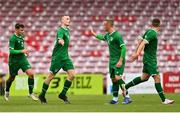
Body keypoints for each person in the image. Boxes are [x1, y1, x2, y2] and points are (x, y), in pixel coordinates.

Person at [125, 18, 174, 104]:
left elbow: (140, 41)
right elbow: (143, 43)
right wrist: (137, 54)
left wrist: (136, 52)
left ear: (152, 24)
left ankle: (126, 87)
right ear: (159, 26)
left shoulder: (148, 31)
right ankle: (164, 100)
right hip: (150, 60)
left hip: (148, 59)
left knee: (144, 77)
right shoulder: (152, 33)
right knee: (157, 77)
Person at [90, 19, 132, 104]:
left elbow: (124, 48)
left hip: (118, 60)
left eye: (105, 25)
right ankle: (115, 99)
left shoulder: (117, 35)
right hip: (111, 61)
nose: (104, 26)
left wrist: (121, 60)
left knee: (117, 77)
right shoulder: (108, 35)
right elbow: (102, 37)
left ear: (109, 25)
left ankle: (127, 97)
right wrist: (94, 34)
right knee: (113, 79)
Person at [38, 16, 75, 104]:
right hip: (57, 58)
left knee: (72, 75)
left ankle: (62, 94)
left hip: (65, 57)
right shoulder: (60, 30)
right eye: (66, 19)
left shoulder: (67, 31)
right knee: (51, 77)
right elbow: (59, 38)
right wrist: (60, 41)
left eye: (69, 18)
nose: (69, 20)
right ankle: (42, 95)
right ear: (62, 21)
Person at [4, 23, 38, 101]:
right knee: (12, 78)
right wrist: (22, 51)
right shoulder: (12, 38)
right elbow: (11, 51)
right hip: (14, 61)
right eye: (21, 30)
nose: (23, 31)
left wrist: (25, 51)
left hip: (22, 59)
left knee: (31, 74)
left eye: (23, 30)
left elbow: (22, 46)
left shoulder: (22, 36)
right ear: (16, 29)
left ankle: (30, 93)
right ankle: (7, 90)